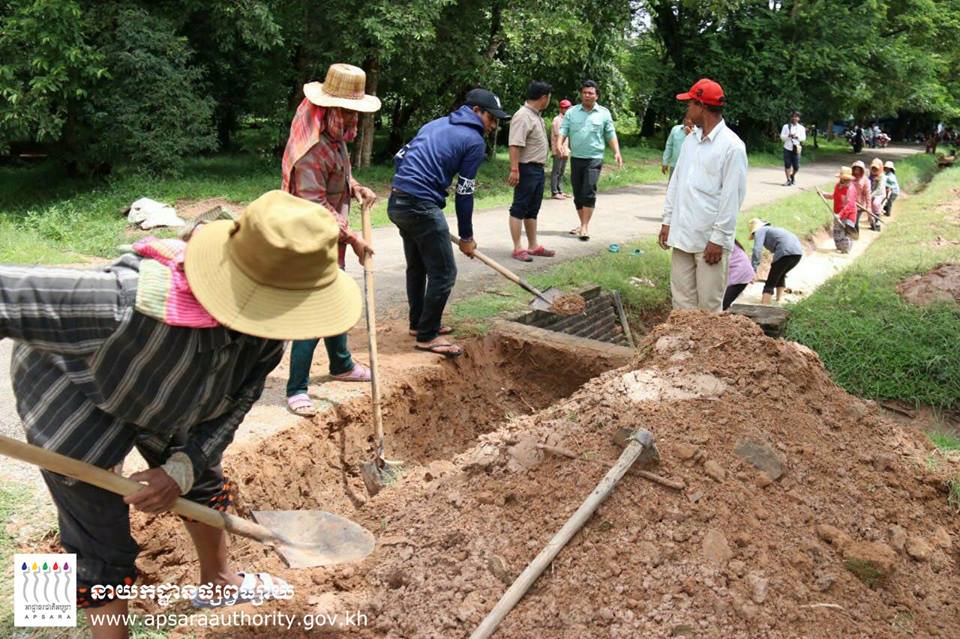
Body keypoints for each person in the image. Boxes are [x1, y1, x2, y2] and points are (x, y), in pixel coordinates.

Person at [1, 190, 362, 638]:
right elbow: (9, 293)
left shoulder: (270, 333)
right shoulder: (123, 301)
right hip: (71, 390)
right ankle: (44, 619)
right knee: (91, 524)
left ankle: (219, 582)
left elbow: (237, 404)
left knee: (203, 477)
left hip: (170, 396)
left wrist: (181, 468)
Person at [280, 63, 380, 416]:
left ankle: (341, 364)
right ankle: (296, 388)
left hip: (330, 233)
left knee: (336, 294)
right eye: (350, 111)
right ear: (333, 107)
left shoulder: (336, 133)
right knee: (316, 308)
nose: (356, 119)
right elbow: (313, 203)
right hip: (308, 235)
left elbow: (341, 172)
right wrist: (352, 236)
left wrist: (355, 187)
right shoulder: (313, 147)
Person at [388, 87, 509, 358]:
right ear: (477, 111)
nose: (493, 126)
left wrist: (406, 185)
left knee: (417, 266)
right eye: (492, 119)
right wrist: (466, 237)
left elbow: (399, 158)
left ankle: (418, 323)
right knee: (444, 273)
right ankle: (427, 336)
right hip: (421, 206)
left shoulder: (436, 124)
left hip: (397, 201)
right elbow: (465, 193)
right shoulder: (474, 141)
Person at [658, 78, 748, 312]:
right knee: (681, 305)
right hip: (682, 235)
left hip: (709, 242)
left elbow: (732, 199)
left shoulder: (732, 147)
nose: (687, 109)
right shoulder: (690, 141)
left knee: (708, 309)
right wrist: (667, 221)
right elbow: (676, 184)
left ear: (701, 106)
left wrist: (718, 239)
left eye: (690, 104)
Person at [557, 79, 623, 241]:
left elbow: (610, 133)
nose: (587, 95)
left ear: (596, 96)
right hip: (576, 158)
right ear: (581, 95)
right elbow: (564, 129)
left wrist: (617, 151)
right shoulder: (572, 112)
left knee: (589, 190)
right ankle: (582, 223)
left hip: (594, 158)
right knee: (578, 194)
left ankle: (585, 227)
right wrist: (559, 143)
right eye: (585, 93)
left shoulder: (604, 113)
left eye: (590, 93)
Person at [507, 80, 555, 262]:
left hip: (538, 169)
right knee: (519, 207)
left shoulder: (536, 116)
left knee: (532, 209)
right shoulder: (523, 116)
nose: (549, 100)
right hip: (526, 168)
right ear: (543, 98)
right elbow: (514, 144)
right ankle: (518, 248)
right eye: (549, 97)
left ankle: (533, 245)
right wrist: (514, 169)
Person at [748, 218, 803, 305]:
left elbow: (757, 250)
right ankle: (779, 301)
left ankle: (765, 305)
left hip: (785, 253)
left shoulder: (760, 231)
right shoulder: (774, 230)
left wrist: (753, 270)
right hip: (798, 253)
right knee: (780, 275)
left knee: (770, 281)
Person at [821, 166, 857, 253]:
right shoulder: (838, 186)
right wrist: (824, 194)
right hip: (838, 213)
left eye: (844, 179)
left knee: (846, 234)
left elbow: (849, 205)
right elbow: (835, 196)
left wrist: (840, 214)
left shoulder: (851, 189)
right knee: (837, 233)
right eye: (841, 178)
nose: (842, 180)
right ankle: (840, 248)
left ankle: (846, 250)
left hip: (849, 215)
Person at [550, 99, 573, 199]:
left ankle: (560, 191)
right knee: (556, 171)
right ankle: (554, 192)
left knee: (562, 172)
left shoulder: (567, 120)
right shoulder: (557, 120)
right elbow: (559, 134)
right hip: (558, 150)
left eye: (569, 107)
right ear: (561, 109)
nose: (568, 109)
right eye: (566, 108)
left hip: (565, 150)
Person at [723, 239, 755, 310]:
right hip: (743, 273)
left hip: (739, 274)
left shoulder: (721, 242)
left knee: (721, 305)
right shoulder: (731, 242)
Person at [780, 111, 806, 186]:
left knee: (796, 166)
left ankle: (792, 175)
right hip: (787, 147)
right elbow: (782, 137)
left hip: (796, 148)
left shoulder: (801, 128)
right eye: (793, 116)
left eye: (796, 117)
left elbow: (803, 138)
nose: (794, 118)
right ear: (791, 118)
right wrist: (788, 135)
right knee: (787, 164)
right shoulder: (786, 126)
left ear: (799, 118)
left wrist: (797, 137)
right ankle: (788, 180)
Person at [851, 159, 870, 229]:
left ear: (862, 170)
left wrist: (868, 206)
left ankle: (855, 237)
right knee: (849, 221)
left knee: (855, 222)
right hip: (850, 204)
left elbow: (867, 194)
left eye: (858, 170)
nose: (856, 172)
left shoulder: (865, 180)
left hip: (859, 205)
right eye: (855, 169)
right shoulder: (850, 178)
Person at [868, 158, 885, 231]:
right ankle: (872, 223)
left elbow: (879, 189)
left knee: (875, 204)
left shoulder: (882, 177)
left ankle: (877, 222)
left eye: (876, 169)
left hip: (879, 194)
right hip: (871, 194)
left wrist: (871, 195)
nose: (874, 170)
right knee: (869, 208)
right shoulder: (870, 177)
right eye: (873, 168)